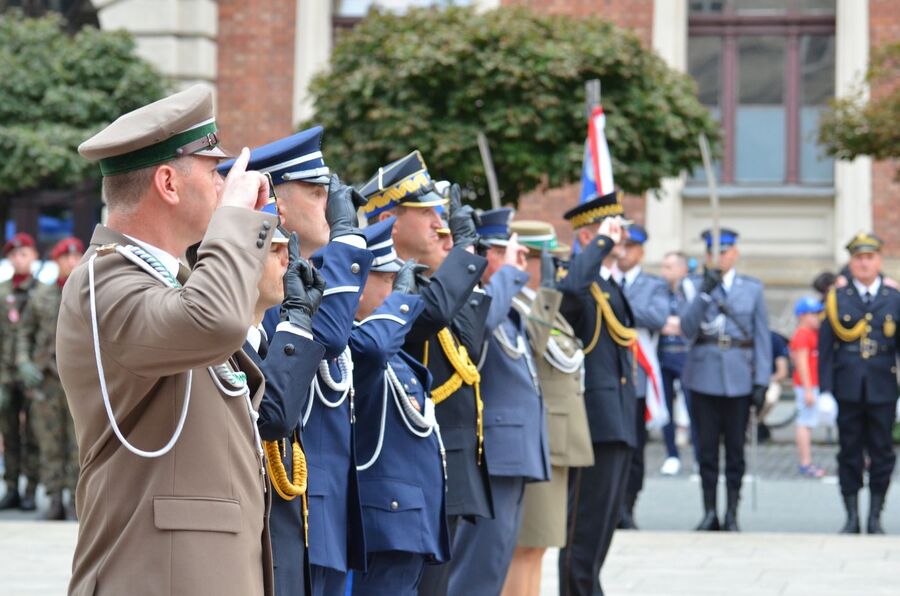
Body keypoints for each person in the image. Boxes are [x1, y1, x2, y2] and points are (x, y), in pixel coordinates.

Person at [58, 85, 278, 595]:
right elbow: (212, 323)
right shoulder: (104, 283)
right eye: (213, 171)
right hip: (156, 576)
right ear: (168, 183)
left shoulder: (167, 282)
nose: (224, 187)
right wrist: (237, 223)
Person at [220, 127, 374, 596]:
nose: (329, 203)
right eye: (315, 192)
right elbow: (326, 336)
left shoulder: (299, 280)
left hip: (315, 501)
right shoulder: (264, 285)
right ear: (277, 207)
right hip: (281, 509)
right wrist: (347, 238)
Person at [357, 154, 490, 596]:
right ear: (390, 220)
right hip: (390, 478)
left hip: (430, 469)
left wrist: (456, 260)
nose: (440, 223)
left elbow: (467, 341)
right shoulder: (371, 279)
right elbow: (429, 316)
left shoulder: (421, 279)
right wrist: (465, 255)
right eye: (427, 213)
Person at [448, 210, 551, 596]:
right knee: (478, 566)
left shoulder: (502, 304)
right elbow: (482, 322)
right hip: (494, 453)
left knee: (495, 562)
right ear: (479, 253)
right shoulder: (474, 302)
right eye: (500, 251)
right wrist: (508, 274)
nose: (511, 259)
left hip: (513, 454)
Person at [349, 218, 450, 595]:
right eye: (387, 280)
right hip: (384, 524)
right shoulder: (355, 347)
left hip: (407, 523)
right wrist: (401, 304)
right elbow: (372, 350)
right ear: (357, 284)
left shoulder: (395, 356)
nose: (396, 291)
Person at [501, 221, 593, 596]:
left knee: (538, 546)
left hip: (554, 440)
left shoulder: (538, 303)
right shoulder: (515, 304)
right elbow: (534, 350)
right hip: (537, 439)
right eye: (549, 260)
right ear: (528, 259)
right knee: (523, 546)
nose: (555, 268)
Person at [557, 190, 636, 596]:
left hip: (617, 419)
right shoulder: (579, 279)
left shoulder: (609, 285)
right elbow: (569, 292)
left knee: (603, 528)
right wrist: (602, 242)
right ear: (587, 238)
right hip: (593, 421)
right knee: (582, 530)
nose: (620, 238)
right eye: (610, 231)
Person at [681, 228, 772, 532]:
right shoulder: (693, 286)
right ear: (706, 255)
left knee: (735, 449)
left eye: (724, 252)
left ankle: (732, 512)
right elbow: (686, 327)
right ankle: (709, 512)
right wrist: (705, 292)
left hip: (739, 375)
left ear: (735, 254)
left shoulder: (752, 289)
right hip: (703, 374)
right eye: (713, 252)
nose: (719, 257)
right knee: (706, 450)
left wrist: (761, 380)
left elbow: (761, 336)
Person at [819, 232, 900, 535]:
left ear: (879, 260)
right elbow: (825, 349)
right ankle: (851, 516)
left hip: (883, 385)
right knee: (849, 451)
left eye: (869, 258)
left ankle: (875, 516)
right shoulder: (837, 299)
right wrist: (824, 391)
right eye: (858, 258)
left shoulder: (894, 299)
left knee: (882, 451)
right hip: (847, 384)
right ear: (851, 263)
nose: (864, 263)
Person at [14, 237, 84, 520]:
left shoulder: (88, 293)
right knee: (48, 441)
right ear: (56, 261)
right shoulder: (41, 295)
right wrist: (23, 363)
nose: (71, 262)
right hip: (47, 381)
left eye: (76, 256)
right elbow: (23, 333)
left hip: (80, 380)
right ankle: (54, 498)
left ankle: (77, 500)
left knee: (79, 443)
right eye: (66, 258)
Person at [615, 223, 668, 529]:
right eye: (622, 246)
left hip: (637, 379)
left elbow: (657, 317)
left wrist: (618, 304)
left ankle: (628, 506)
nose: (624, 253)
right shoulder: (606, 279)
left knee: (634, 449)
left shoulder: (653, 285)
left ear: (640, 252)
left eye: (630, 247)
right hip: (609, 378)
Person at [0, 233, 40, 512]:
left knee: (35, 434)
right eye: (14, 254)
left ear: (34, 256)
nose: (19, 259)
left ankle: (31, 489)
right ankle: (11, 488)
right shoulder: (2, 293)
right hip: (5, 374)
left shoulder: (43, 292)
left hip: (35, 374)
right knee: (9, 433)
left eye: (24, 253)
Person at [657, 251, 697, 475]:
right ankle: (672, 454)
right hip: (663, 356)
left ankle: (699, 454)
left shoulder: (690, 291)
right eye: (663, 266)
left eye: (669, 267)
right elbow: (653, 317)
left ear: (682, 269)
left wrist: (677, 324)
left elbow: (692, 321)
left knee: (694, 408)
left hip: (686, 357)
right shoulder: (659, 291)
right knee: (666, 410)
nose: (664, 271)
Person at [789, 296, 826, 478]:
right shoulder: (803, 334)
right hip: (807, 386)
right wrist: (809, 389)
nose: (817, 317)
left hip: (812, 384)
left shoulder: (811, 333)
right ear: (802, 316)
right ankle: (805, 462)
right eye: (813, 314)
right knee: (805, 422)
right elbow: (801, 363)